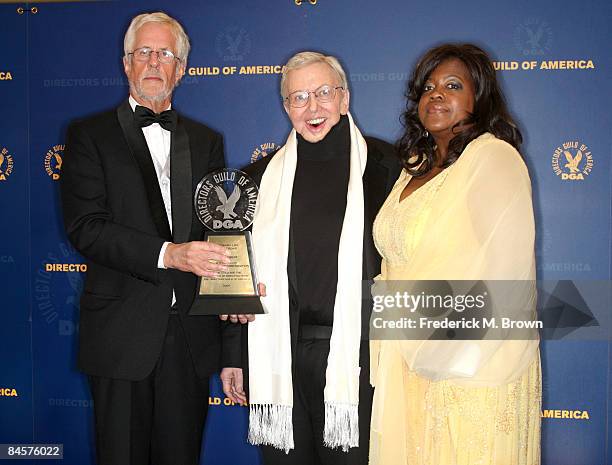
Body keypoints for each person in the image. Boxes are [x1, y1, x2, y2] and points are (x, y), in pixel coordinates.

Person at [60, 12, 231, 465]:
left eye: (166, 54)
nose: (154, 62)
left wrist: (234, 292)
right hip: (121, 337)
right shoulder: (87, 135)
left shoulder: (207, 140)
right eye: (144, 53)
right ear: (126, 63)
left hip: (189, 336)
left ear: (182, 68)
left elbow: (221, 229)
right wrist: (169, 254)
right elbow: (86, 228)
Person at [220, 51, 400, 465]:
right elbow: (235, 277)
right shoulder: (256, 178)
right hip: (278, 356)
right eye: (298, 98)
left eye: (323, 93)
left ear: (344, 97)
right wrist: (233, 356)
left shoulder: (388, 165)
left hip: (361, 359)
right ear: (286, 107)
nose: (313, 107)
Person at [369, 43, 541, 465]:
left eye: (452, 85)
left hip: (470, 362)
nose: (436, 95)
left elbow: (507, 274)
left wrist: (444, 353)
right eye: (428, 87)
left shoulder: (494, 158)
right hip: (405, 357)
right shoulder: (413, 163)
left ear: (478, 98)